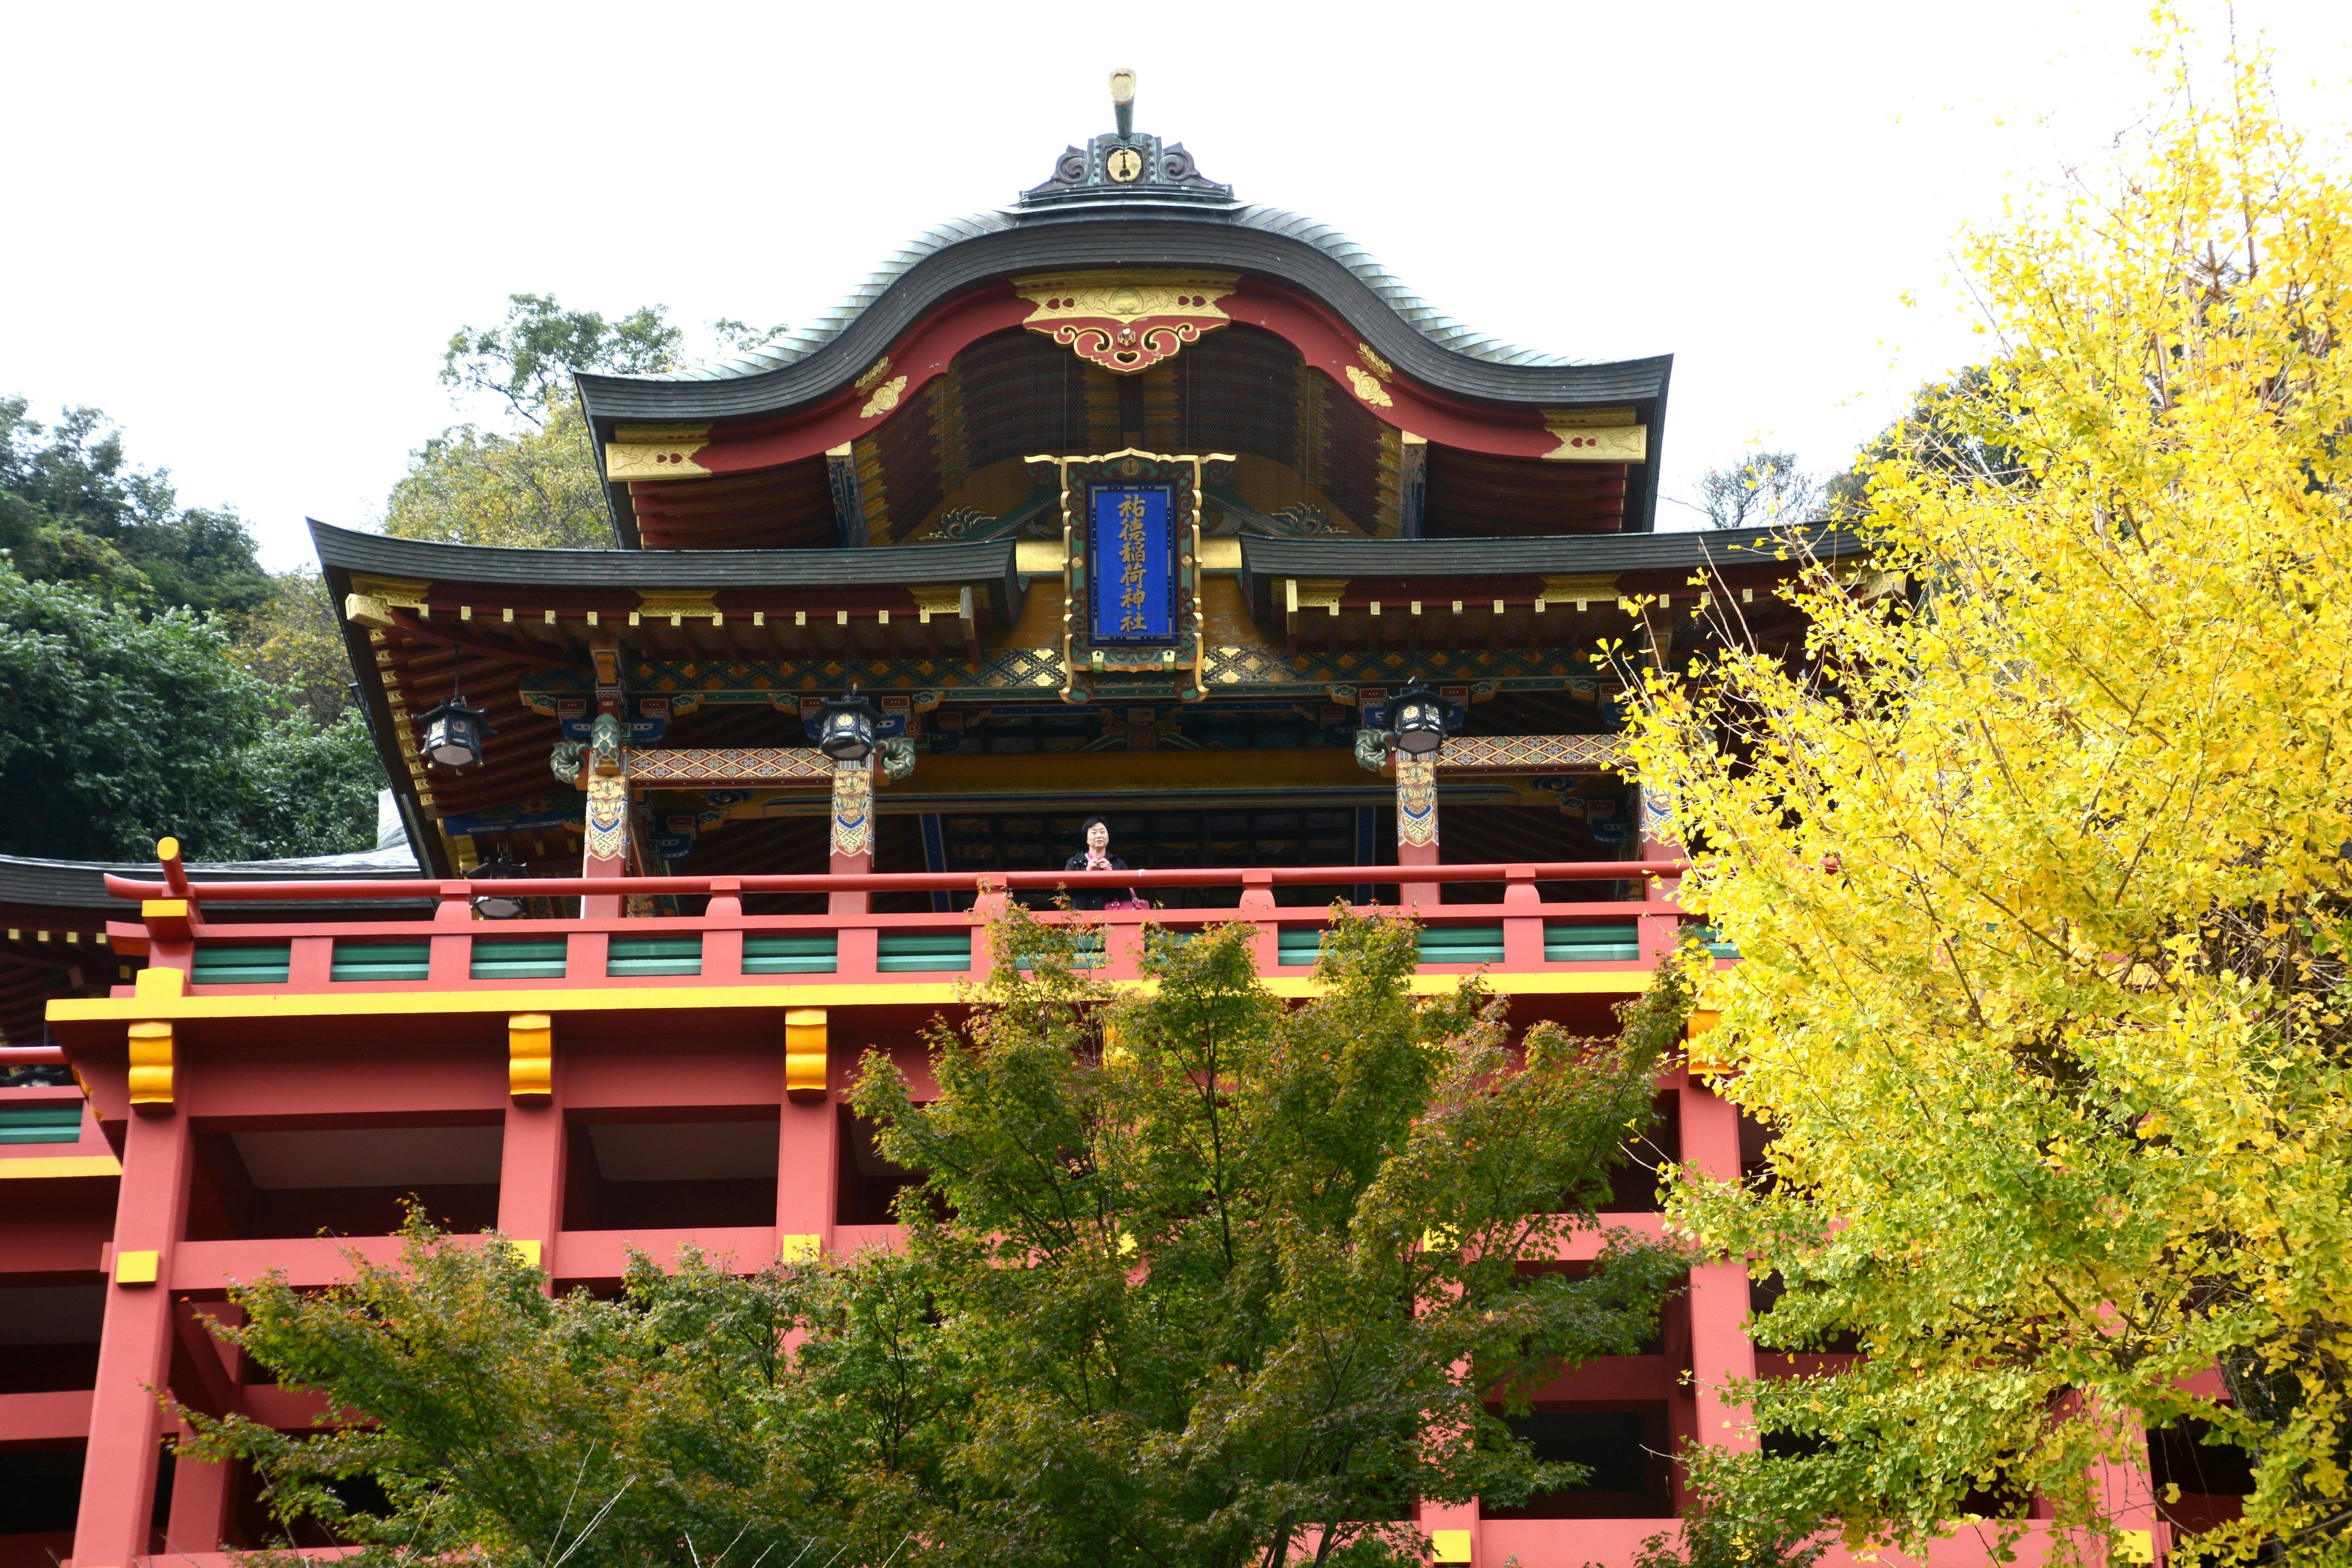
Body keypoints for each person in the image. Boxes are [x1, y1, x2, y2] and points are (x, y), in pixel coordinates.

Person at [1063, 815, 1136, 910]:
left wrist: (1113, 875)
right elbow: (1067, 893)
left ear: (1108, 837)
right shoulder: (1074, 863)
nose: (1099, 836)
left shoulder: (1119, 863)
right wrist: (1085, 874)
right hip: (1081, 920)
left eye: (1102, 832)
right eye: (1094, 833)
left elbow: (1128, 895)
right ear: (1087, 838)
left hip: (1111, 920)